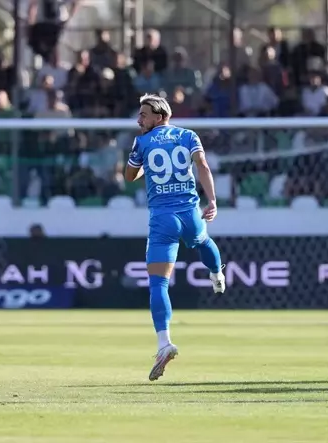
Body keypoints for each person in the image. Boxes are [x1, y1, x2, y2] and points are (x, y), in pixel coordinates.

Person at [125, 94, 226, 382]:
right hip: (191, 214)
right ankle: (217, 273)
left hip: (163, 219)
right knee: (204, 241)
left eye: (143, 114)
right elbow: (203, 167)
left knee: (158, 283)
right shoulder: (188, 135)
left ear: (159, 116)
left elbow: (129, 176)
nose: (139, 119)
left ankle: (164, 343)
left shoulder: (142, 143)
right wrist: (213, 201)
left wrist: (146, 165)